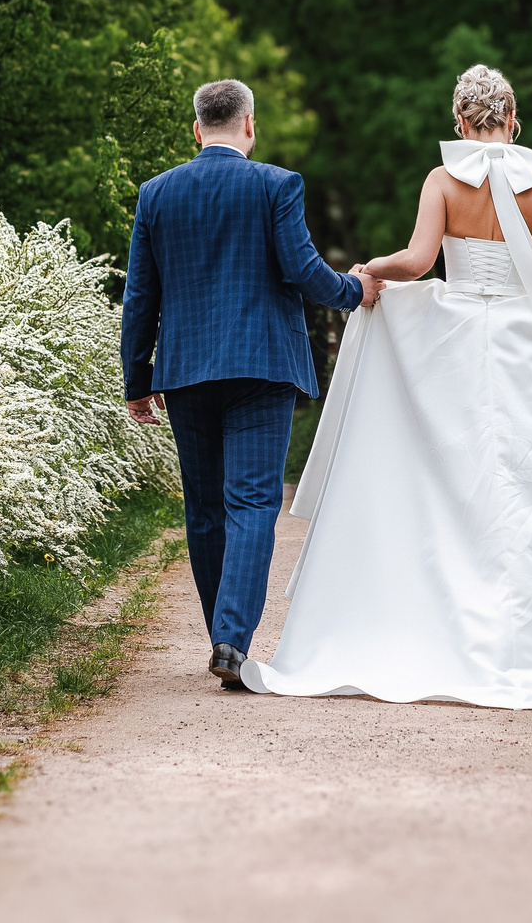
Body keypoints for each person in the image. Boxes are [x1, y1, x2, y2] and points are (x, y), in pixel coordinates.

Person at [239, 64, 532, 709]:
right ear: (513, 119)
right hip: (528, 335)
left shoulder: (444, 179)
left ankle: (447, 616)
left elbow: (417, 262)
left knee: (454, 478)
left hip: (456, 333)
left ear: (461, 122)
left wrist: (368, 271)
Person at [120, 79, 381, 689]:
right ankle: (232, 640)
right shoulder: (276, 185)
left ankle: (224, 636)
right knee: (253, 504)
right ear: (249, 126)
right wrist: (355, 291)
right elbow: (303, 270)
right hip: (261, 368)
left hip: (185, 372)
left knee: (206, 509)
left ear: (196, 130)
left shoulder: (156, 195)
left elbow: (140, 296)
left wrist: (138, 378)